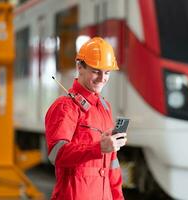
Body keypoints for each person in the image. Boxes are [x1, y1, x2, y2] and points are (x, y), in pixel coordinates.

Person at [45, 37, 127, 200]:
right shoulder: (65, 107)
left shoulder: (104, 107)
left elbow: (112, 163)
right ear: (79, 67)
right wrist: (98, 148)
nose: (102, 78)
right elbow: (57, 154)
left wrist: (118, 197)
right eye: (96, 71)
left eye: (107, 72)